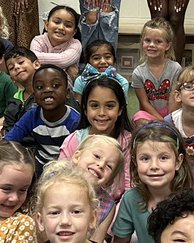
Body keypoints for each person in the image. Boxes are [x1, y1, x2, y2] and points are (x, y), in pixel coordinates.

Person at [113, 123, 194, 243]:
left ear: (178, 162)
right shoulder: (131, 199)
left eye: (163, 158)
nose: (154, 166)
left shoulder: (192, 201)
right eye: (145, 158)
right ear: (135, 162)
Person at [57, 75, 135, 219]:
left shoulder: (127, 141)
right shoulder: (74, 141)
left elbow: (129, 189)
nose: (101, 113)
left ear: (120, 110)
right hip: (72, 209)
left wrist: (113, 224)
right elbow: (59, 179)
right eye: (94, 106)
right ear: (85, 109)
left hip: (115, 212)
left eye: (110, 106)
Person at [4, 64, 80, 173]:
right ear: (34, 96)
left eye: (55, 85)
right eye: (40, 87)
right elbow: (9, 140)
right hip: (38, 169)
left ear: (67, 93)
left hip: (65, 172)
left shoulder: (75, 120)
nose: (47, 90)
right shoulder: (32, 116)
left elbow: (77, 157)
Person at [131, 18, 181, 125]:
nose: (152, 45)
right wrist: (161, 121)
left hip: (171, 112)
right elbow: (144, 103)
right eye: (147, 40)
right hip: (150, 114)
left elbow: (175, 98)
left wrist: (169, 120)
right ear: (142, 42)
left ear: (167, 45)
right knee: (138, 119)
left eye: (158, 41)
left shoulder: (175, 68)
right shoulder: (138, 73)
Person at [30, 4, 82, 77]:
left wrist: (35, 58)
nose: (61, 27)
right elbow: (31, 59)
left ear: (74, 32)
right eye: (57, 22)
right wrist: (31, 58)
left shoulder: (75, 44)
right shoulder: (37, 40)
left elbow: (63, 60)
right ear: (46, 24)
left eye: (68, 25)